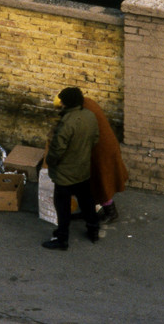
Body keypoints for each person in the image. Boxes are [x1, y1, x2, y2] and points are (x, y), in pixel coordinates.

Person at [43, 87, 100, 250]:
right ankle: (93, 230)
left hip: (65, 174)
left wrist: (50, 161)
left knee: (62, 206)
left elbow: (57, 150)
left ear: (66, 103)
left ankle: (62, 238)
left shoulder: (67, 123)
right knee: (87, 201)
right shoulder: (90, 116)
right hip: (83, 169)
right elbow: (95, 139)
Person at [84, 96, 128, 224]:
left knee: (101, 182)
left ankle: (111, 212)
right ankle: (95, 209)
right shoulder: (89, 104)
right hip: (104, 148)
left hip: (100, 151)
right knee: (101, 181)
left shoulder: (84, 111)